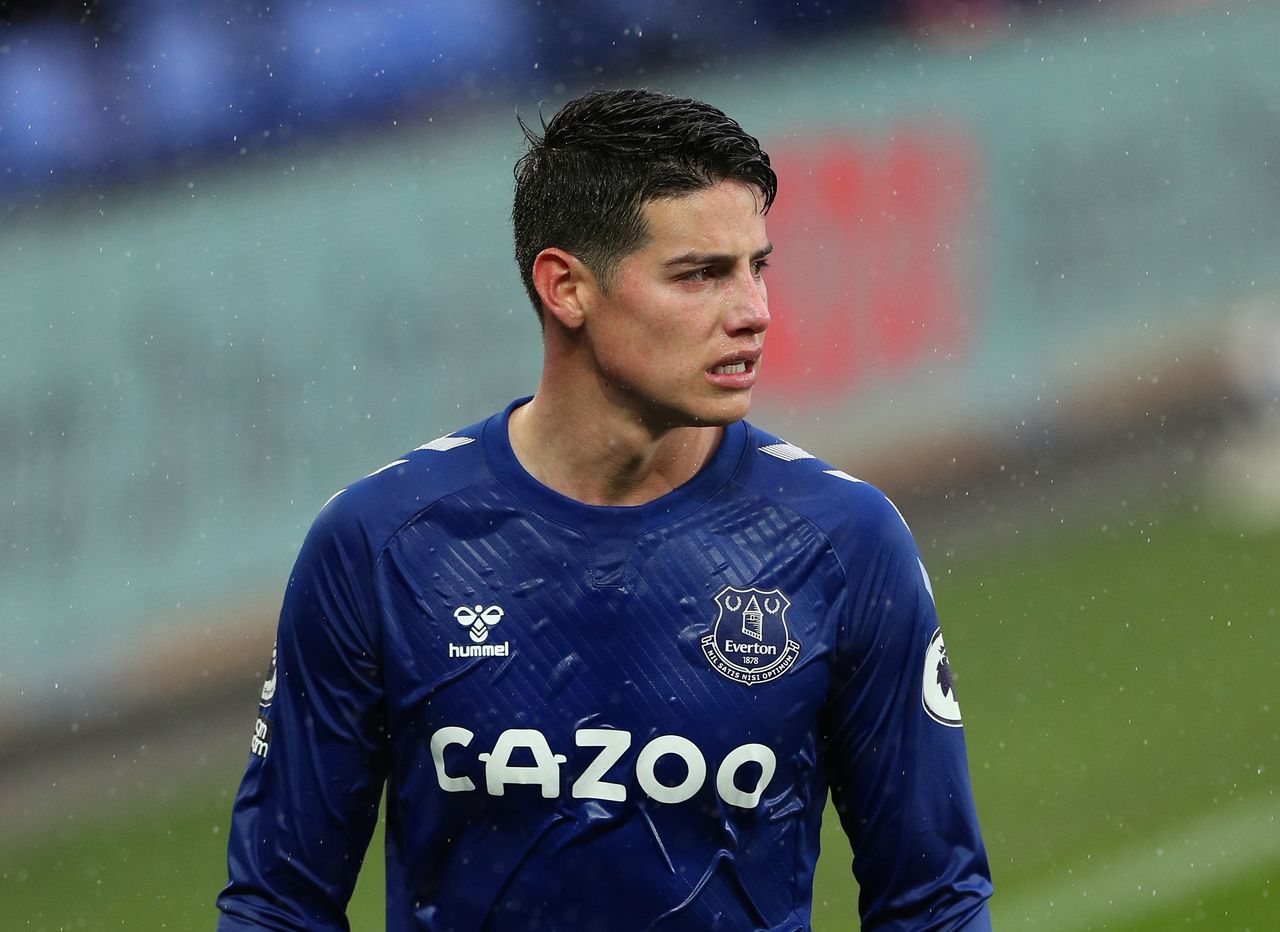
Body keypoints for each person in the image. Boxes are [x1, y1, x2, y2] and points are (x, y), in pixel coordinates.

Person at [216, 88, 993, 930]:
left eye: (757, 267)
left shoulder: (844, 543)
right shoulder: (382, 545)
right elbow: (279, 904)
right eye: (701, 274)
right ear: (566, 289)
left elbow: (933, 901)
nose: (755, 313)